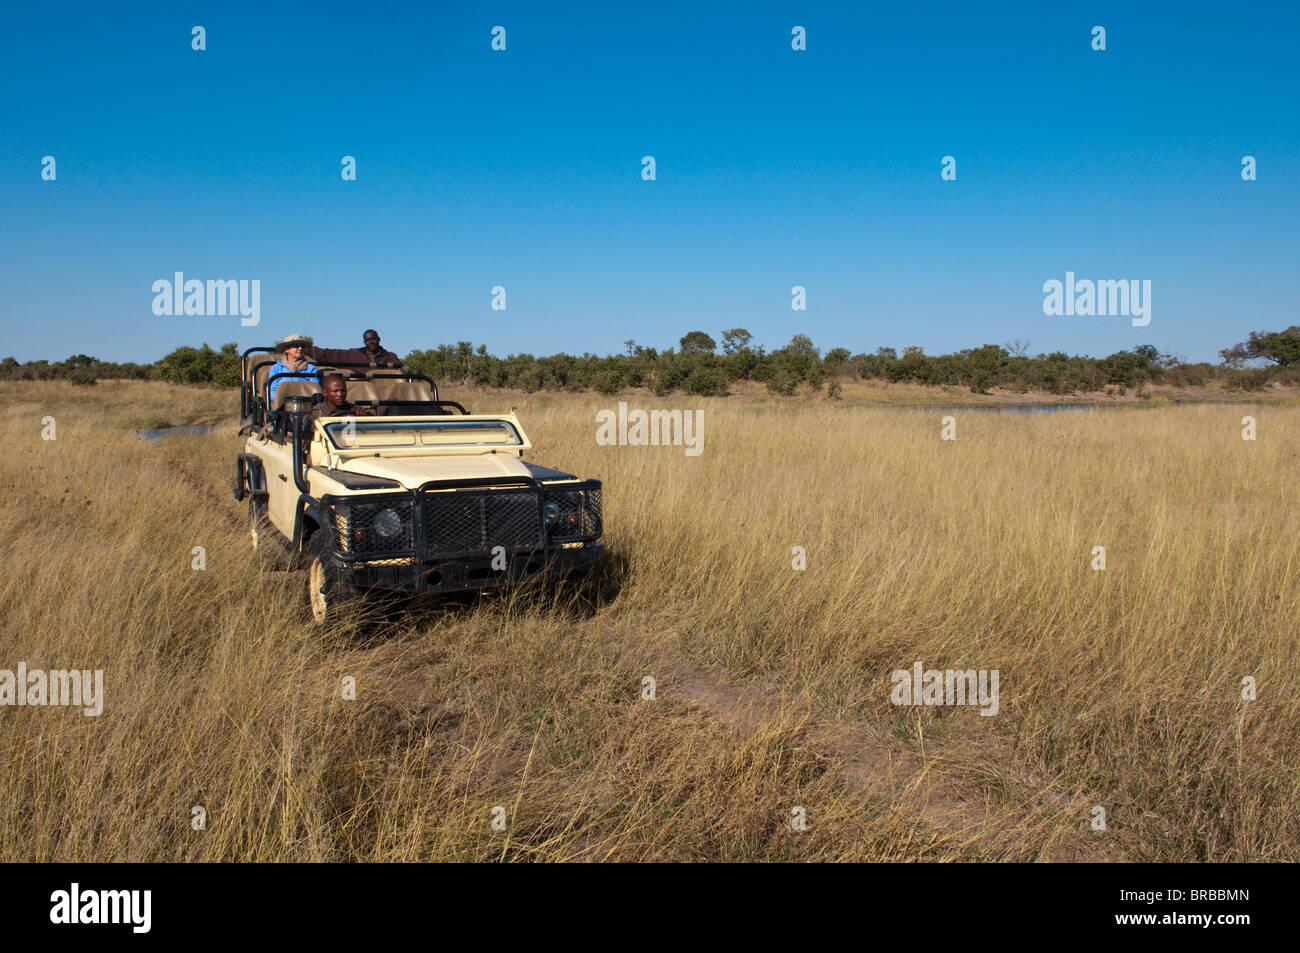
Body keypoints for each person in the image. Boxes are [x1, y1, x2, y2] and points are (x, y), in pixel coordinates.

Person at [309, 329, 402, 368]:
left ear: (379, 339)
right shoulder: (354, 355)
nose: (371, 342)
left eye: (373, 339)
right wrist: (305, 349)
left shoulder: (390, 357)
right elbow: (329, 355)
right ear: (364, 342)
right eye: (368, 340)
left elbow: (400, 370)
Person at [267, 333, 317, 403]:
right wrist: (281, 402)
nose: (300, 348)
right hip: (282, 405)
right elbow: (272, 390)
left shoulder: (311, 368)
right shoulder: (276, 368)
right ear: (287, 350)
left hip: (305, 405)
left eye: (302, 346)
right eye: (296, 346)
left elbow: (314, 390)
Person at [309, 374, 377, 421]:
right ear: (325, 392)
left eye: (343, 391)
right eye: (335, 391)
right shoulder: (315, 413)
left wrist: (363, 418)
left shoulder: (354, 410)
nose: (340, 394)